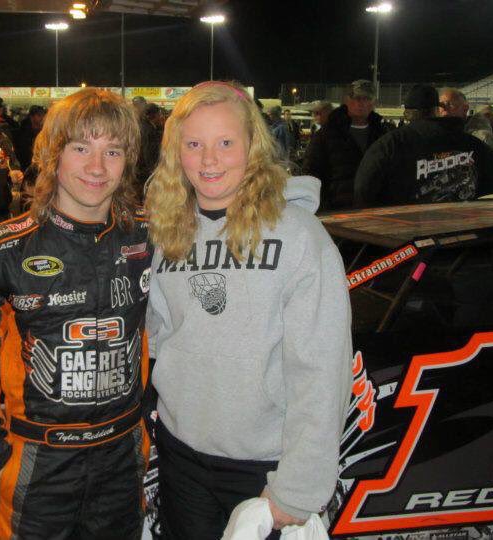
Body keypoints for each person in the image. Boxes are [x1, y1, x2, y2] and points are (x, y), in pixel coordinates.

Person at [144, 81, 352, 540]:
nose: (209, 160)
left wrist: (296, 489)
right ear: (176, 152)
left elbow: (322, 371)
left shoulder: (299, 237)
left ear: (253, 146)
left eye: (225, 143)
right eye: (193, 144)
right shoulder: (166, 232)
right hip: (182, 459)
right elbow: (158, 340)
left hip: (264, 469)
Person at [0, 87, 152, 540]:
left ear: (128, 161)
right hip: (40, 461)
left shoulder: (151, 238)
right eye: (81, 148)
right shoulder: (1, 251)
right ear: (52, 155)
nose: (97, 168)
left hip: (123, 457)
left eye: (112, 151)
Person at [354, 84, 493, 207]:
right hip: (464, 231)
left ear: (407, 112)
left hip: (403, 230)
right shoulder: (474, 144)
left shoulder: (389, 144)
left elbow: (363, 191)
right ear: (436, 110)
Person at [302, 79, 388, 210]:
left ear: (373, 103)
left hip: (375, 210)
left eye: (366, 98)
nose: (361, 103)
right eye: (356, 98)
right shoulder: (326, 134)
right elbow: (311, 174)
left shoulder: (383, 135)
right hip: (337, 211)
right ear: (347, 100)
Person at [439, 88, 493, 189]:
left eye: (448, 104)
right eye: (440, 105)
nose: (443, 109)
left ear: (465, 109)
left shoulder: (483, 137)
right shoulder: (437, 136)